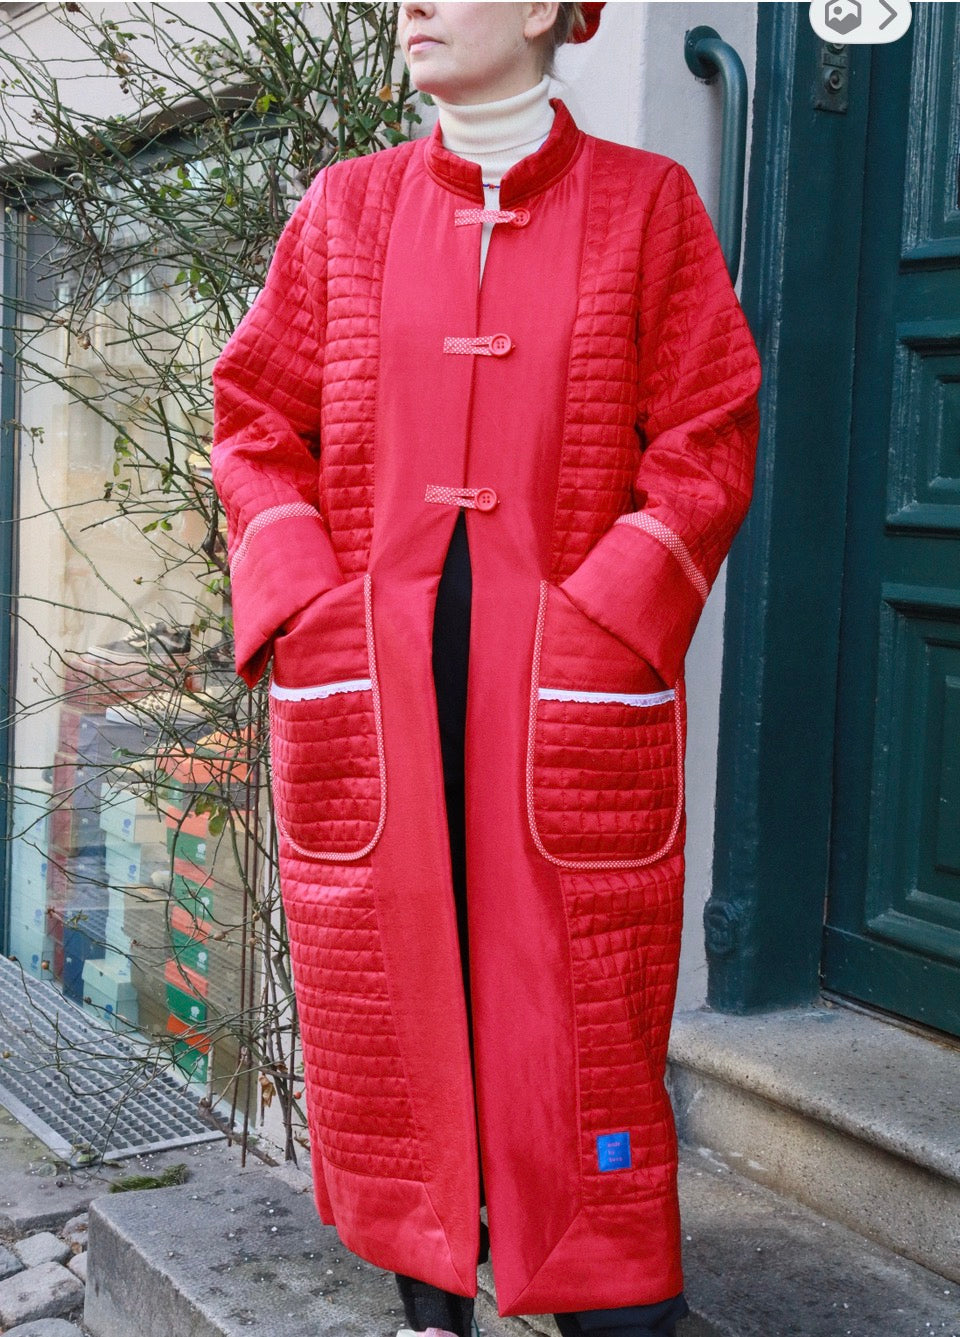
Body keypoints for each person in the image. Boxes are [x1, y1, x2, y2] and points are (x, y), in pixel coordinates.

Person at [210, 4, 762, 1336]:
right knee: (397, 987)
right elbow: (255, 420)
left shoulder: (648, 208)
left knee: (574, 1002)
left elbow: (707, 429)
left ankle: (610, 1292)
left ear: (543, 10)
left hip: (566, 693)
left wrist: (610, 618)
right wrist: (309, 606)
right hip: (375, 686)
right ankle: (429, 1295)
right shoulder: (343, 212)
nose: (414, 5)